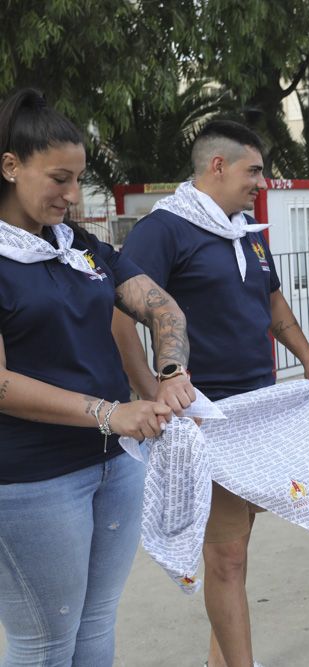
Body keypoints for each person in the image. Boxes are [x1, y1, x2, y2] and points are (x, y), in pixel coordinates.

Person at [113, 120, 309, 665]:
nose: (262, 182)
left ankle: (222, 657)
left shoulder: (246, 232)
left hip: (258, 415)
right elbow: (118, 321)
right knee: (228, 558)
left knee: (236, 551)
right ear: (218, 165)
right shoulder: (164, 228)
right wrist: (153, 394)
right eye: (253, 170)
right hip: (204, 422)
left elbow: (274, 305)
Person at [0, 89, 194, 666]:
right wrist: (111, 412)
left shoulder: (79, 246)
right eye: (58, 178)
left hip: (112, 464)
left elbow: (163, 309)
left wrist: (170, 371)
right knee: (43, 639)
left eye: (79, 178)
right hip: (32, 477)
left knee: (94, 621)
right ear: (10, 166)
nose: (71, 194)